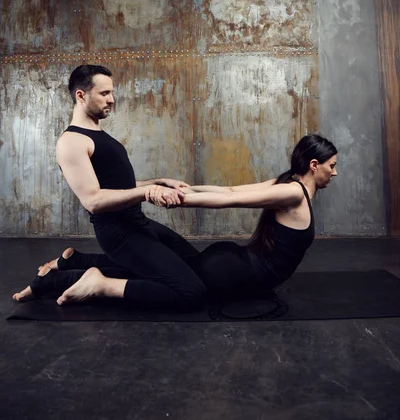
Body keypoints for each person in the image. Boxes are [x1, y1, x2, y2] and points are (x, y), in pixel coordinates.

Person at [13, 66, 338, 311]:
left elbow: (118, 185)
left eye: (112, 92)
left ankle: (73, 262)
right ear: (81, 95)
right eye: (104, 93)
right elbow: (94, 200)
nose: (112, 99)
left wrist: (156, 183)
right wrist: (147, 193)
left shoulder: (100, 135)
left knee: (187, 269)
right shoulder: (71, 142)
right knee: (191, 292)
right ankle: (99, 284)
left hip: (135, 222)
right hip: (117, 232)